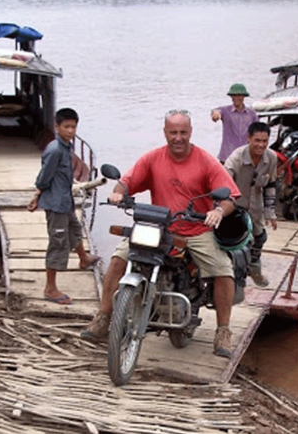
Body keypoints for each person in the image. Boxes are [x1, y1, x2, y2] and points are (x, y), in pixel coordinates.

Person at [82, 110, 242, 358]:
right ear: (165, 133)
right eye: (173, 132)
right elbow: (126, 181)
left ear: (191, 132)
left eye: (183, 132)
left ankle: (223, 331)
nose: (178, 138)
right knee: (118, 258)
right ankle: (103, 316)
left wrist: (219, 211)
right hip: (159, 227)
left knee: (223, 269)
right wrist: (117, 193)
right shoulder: (153, 158)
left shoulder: (206, 161)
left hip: (196, 230)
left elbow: (230, 196)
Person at [27, 108, 100, 305]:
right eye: (66, 127)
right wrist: (36, 195)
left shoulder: (66, 147)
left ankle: (83, 257)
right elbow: (44, 177)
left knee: (75, 228)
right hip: (56, 204)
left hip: (64, 200)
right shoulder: (54, 150)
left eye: (73, 127)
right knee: (58, 243)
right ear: (57, 127)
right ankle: (50, 288)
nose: (70, 131)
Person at [224, 122, 277, 288]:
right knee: (233, 243)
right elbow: (223, 182)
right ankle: (228, 277)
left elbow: (271, 185)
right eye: (257, 140)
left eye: (264, 141)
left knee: (260, 238)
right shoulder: (236, 158)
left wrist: (270, 212)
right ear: (248, 139)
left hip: (256, 208)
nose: (261, 145)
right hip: (235, 208)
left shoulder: (271, 158)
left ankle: (255, 271)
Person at [211, 83, 259, 163]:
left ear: (243, 97)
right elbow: (216, 111)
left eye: (239, 95)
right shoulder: (226, 111)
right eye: (234, 96)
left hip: (245, 156)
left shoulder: (251, 114)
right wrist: (216, 115)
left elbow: (257, 132)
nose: (236, 98)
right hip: (227, 156)